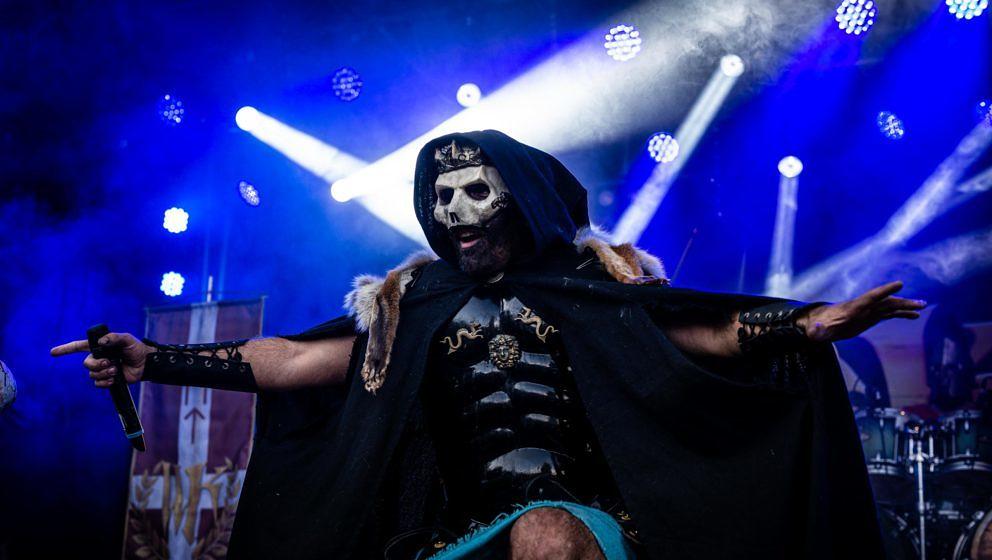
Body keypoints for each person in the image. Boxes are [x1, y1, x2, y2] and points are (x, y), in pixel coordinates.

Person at [53, 130, 926, 560]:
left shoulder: (592, 286)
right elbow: (295, 360)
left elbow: (704, 334)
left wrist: (806, 324)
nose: (453, 210)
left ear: (521, 198)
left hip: (594, 516)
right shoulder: (414, 305)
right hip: (457, 527)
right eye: (441, 196)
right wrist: (153, 359)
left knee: (547, 533)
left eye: (475, 190)